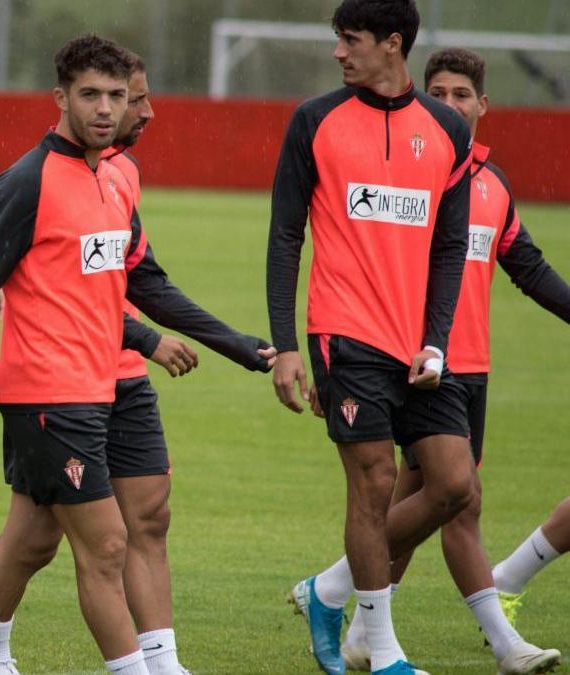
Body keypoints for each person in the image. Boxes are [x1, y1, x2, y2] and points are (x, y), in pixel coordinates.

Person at [0, 52, 276, 675]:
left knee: (113, 525)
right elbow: (36, 289)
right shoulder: (32, 181)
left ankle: (160, 663)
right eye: (125, 97)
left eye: (127, 97)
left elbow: (128, 279)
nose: (138, 110)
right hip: (56, 386)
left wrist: (231, 343)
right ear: (69, 97)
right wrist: (147, 339)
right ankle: (14, 651)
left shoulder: (119, 176)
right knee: (75, 542)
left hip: (113, 383)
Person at [334, 47, 566, 674]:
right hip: (417, 363)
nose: (450, 103)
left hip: (473, 367)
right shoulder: (410, 173)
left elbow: (529, 268)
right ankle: (501, 643)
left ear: (483, 105)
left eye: (462, 94)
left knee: (431, 501)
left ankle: (347, 613)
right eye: (438, 91)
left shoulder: (492, 186)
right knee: (456, 498)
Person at [265, 1, 474, 673]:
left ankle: (327, 590)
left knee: (452, 483)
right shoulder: (314, 120)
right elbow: (284, 235)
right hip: (343, 334)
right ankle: (379, 648)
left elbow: (449, 248)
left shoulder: (446, 129)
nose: (338, 53)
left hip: (416, 344)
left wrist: (437, 339)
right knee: (376, 481)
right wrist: (286, 343)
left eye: (350, 40)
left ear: (392, 44)